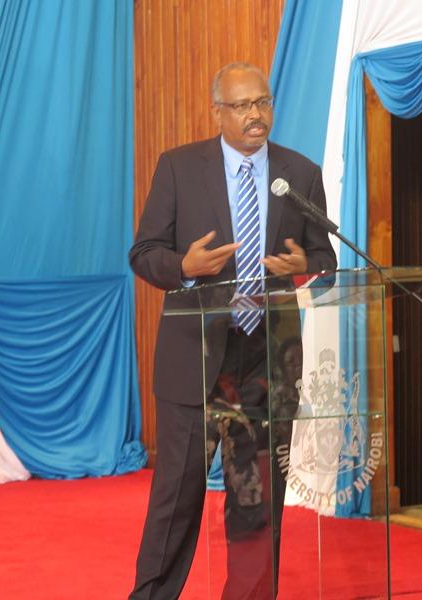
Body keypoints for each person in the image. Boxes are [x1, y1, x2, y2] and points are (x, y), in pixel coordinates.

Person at [128, 62, 337, 600]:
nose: (255, 115)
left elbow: (325, 259)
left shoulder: (299, 173)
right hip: (195, 357)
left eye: (263, 103)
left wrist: (304, 267)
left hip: (266, 359)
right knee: (177, 498)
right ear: (217, 112)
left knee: (256, 499)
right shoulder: (178, 168)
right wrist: (184, 267)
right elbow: (144, 253)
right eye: (242, 106)